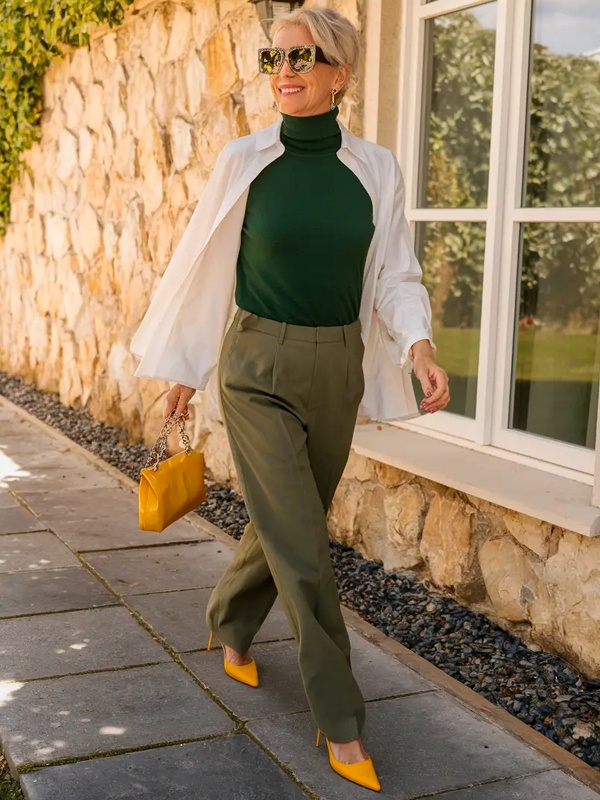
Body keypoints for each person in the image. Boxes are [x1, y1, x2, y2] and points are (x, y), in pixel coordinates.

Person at [130, 6, 449, 792]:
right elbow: (204, 267)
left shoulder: (374, 168)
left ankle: (230, 623)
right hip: (256, 368)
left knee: (286, 520)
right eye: (276, 56)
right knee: (305, 546)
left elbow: (396, 273)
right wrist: (186, 368)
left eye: (304, 57)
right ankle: (341, 718)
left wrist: (418, 343)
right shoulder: (246, 159)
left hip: (337, 368)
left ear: (341, 73)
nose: (285, 69)